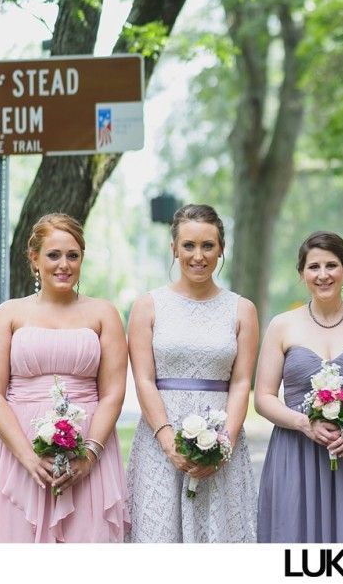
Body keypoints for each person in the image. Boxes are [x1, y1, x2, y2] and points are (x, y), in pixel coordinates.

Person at [0, 213, 129, 542]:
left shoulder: (104, 313)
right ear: (34, 259)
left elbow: (114, 393)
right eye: (53, 255)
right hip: (18, 449)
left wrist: (89, 455)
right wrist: (27, 457)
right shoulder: (9, 313)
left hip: (88, 448)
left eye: (73, 255)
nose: (64, 265)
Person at [125, 204, 259, 542]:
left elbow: (242, 382)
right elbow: (143, 379)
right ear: (174, 249)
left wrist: (223, 445)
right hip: (159, 439)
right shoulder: (147, 306)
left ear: (221, 249)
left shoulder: (242, 309)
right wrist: (168, 442)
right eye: (189, 245)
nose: (198, 256)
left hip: (221, 439)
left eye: (207, 246)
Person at [255, 232, 343, 542]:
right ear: (302, 273)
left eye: (332, 265)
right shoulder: (282, 326)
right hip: (294, 452)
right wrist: (303, 423)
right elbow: (263, 398)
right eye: (314, 267)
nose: (323, 275)